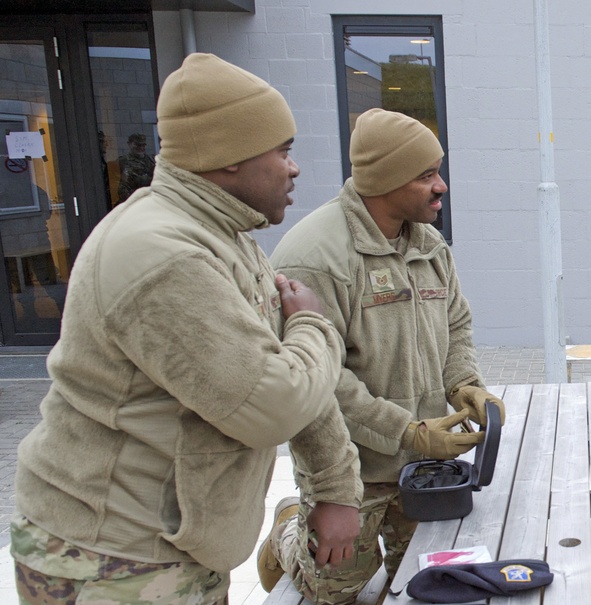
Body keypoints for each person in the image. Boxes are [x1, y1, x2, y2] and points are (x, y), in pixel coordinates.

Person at [11, 53, 362, 604]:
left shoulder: (225, 237)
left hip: (175, 550)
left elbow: (299, 380)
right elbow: (275, 403)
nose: (294, 169)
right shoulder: (161, 254)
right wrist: (314, 324)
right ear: (228, 160)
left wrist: (338, 491)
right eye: (283, 151)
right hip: (110, 558)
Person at [262, 107, 506, 604]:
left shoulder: (429, 244)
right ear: (386, 180)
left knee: (425, 580)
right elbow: (319, 379)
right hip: (350, 471)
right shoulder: (315, 258)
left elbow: (456, 322)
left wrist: (465, 384)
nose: (441, 187)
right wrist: (407, 431)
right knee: (335, 590)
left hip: (422, 466)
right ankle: (289, 529)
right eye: (426, 175)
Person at [117, 132, 156, 201]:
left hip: (151, 198)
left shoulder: (152, 161)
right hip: (134, 199)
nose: (141, 148)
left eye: (143, 145)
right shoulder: (122, 162)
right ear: (129, 144)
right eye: (137, 145)